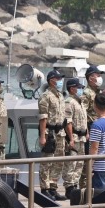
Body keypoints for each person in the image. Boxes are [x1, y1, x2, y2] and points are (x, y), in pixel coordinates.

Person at [37, 70, 68, 199]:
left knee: (58, 162)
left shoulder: (60, 96)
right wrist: (42, 136)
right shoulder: (46, 96)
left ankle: (53, 187)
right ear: (51, 80)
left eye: (61, 78)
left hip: (60, 132)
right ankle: (45, 189)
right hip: (50, 132)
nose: (60, 80)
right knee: (47, 162)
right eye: (58, 78)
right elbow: (43, 117)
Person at [63, 78, 87, 194]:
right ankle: (69, 186)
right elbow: (68, 122)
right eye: (79, 88)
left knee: (80, 163)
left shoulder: (79, 101)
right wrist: (71, 138)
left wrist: (86, 132)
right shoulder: (69, 102)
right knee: (71, 163)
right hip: (74, 137)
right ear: (72, 89)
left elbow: (84, 120)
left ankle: (75, 183)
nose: (80, 90)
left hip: (82, 137)